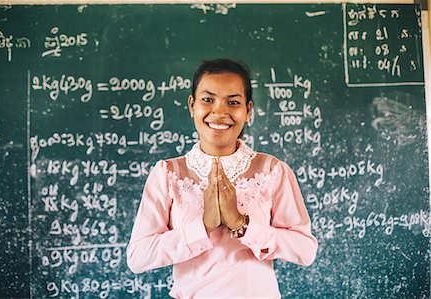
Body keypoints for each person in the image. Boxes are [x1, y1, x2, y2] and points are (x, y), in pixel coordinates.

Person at [126, 58, 318, 298]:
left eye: (233, 102)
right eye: (208, 99)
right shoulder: (167, 174)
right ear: (192, 105)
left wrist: (241, 224)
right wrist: (203, 227)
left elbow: (305, 249)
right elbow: (138, 257)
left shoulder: (272, 170)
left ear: (248, 110)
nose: (219, 111)